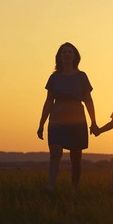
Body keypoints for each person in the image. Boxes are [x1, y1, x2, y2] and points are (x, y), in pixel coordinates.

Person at [37, 42, 98, 191]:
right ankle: (50, 186)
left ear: (75, 56)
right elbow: (48, 101)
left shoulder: (82, 76)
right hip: (57, 117)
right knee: (55, 153)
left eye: (70, 52)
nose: (67, 54)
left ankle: (74, 188)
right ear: (59, 56)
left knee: (76, 157)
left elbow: (88, 100)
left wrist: (94, 122)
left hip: (76, 117)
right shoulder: (54, 78)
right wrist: (41, 124)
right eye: (64, 52)